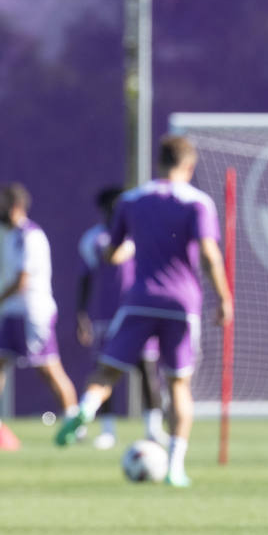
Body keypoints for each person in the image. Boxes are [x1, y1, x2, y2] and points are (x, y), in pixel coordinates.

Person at [55, 136, 232, 489]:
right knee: (178, 385)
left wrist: (120, 252)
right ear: (189, 166)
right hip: (182, 303)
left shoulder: (132, 201)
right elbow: (210, 254)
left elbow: (113, 252)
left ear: (158, 162)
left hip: (139, 299)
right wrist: (225, 298)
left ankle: (86, 411)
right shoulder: (198, 203)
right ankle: (175, 468)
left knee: (107, 372)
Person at [0, 183, 79, 447]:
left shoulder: (30, 236)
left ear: (15, 207)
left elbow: (22, 282)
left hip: (33, 313)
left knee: (48, 369)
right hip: (12, 313)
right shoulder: (10, 236)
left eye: (1, 207)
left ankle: (75, 421)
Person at [76, 187, 169, 450]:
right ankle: (107, 430)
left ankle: (153, 428)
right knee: (107, 371)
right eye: (111, 208)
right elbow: (85, 278)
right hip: (107, 315)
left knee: (146, 369)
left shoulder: (141, 235)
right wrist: (81, 314)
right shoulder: (93, 239)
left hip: (140, 312)